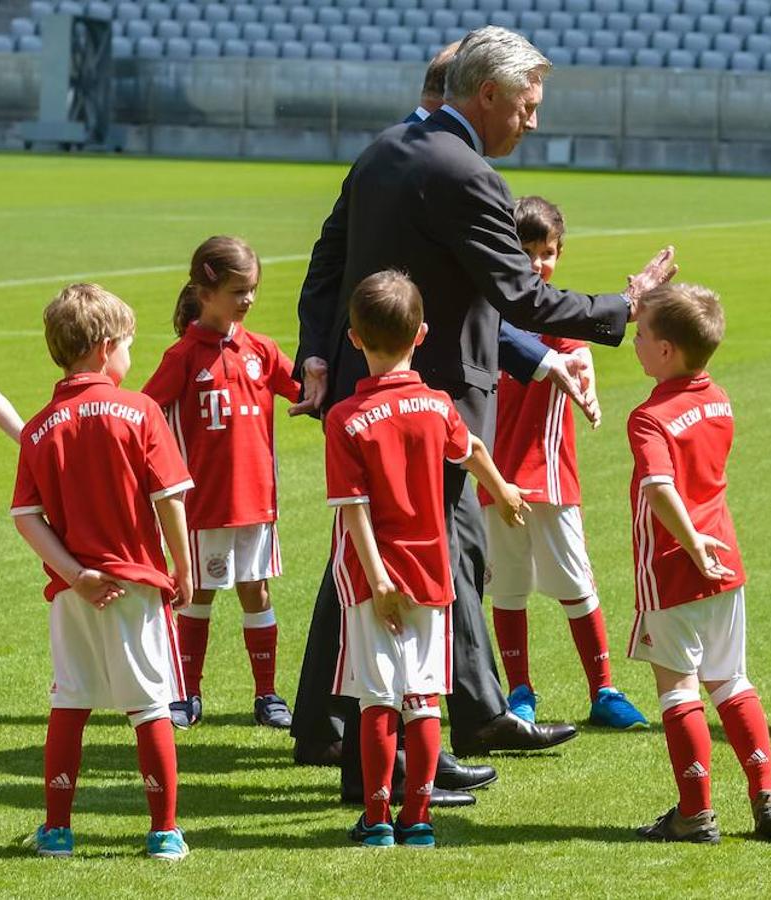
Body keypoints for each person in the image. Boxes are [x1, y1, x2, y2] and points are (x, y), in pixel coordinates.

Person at [290, 25, 675, 773]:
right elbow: (521, 298)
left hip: (371, 387)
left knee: (428, 553)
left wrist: (321, 350)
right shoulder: (467, 174)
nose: (533, 121)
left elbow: (328, 258)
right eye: (528, 105)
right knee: (415, 558)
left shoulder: (383, 151)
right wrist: (624, 306)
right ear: (489, 94)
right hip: (426, 402)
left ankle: (405, 718)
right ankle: (395, 733)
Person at [327, 270, 529, 848]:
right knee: (422, 696)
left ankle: (377, 817)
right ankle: (418, 818)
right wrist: (507, 492)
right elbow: (472, 452)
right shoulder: (437, 404)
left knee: (376, 697)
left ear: (354, 337)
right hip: (432, 573)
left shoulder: (345, 419)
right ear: (421, 335)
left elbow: (355, 512)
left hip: (375, 579)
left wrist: (379, 578)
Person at [11, 283, 194, 861]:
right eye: (128, 347)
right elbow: (170, 499)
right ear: (105, 347)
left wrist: (73, 574)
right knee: (149, 705)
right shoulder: (138, 411)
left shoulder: (40, 426)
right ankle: (163, 831)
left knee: (69, 704)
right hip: (137, 585)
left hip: (74, 594)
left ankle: (58, 831)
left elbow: (26, 518)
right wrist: (183, 569)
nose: (129, 359)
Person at [627, 283, 771, 844]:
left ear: (668, 351)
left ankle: (694, 813)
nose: (635, 342)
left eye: (643, 335)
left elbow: (659, 488)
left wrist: (691, 541)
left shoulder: (649, 417)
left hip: (676, 562)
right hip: (726, 560)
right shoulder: (718, 397)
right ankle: (766, 792)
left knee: (678, 688)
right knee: (731, 679)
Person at [481, 196, 647, 730]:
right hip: (494, 478)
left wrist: (586, 372)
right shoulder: (488, 316)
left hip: (549, 478)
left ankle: (603, 690)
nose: (536, 263)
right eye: (525, 251)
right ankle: (520, 690)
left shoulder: (553, 312)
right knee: (506, 588)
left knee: (576, 586)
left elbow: (578, 353)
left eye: (546, 252)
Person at [142, 236, 301, 730]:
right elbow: (145, 414)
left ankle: (268, 695)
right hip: (204, 506)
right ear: (205, 291)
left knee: (257, 593)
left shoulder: (262, 351)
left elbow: (304, 391)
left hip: (257, 504)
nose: (248, 300)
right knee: (197, 595)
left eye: (252, 289)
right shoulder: (183, 356)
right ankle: (187, 694)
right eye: (238, 290)